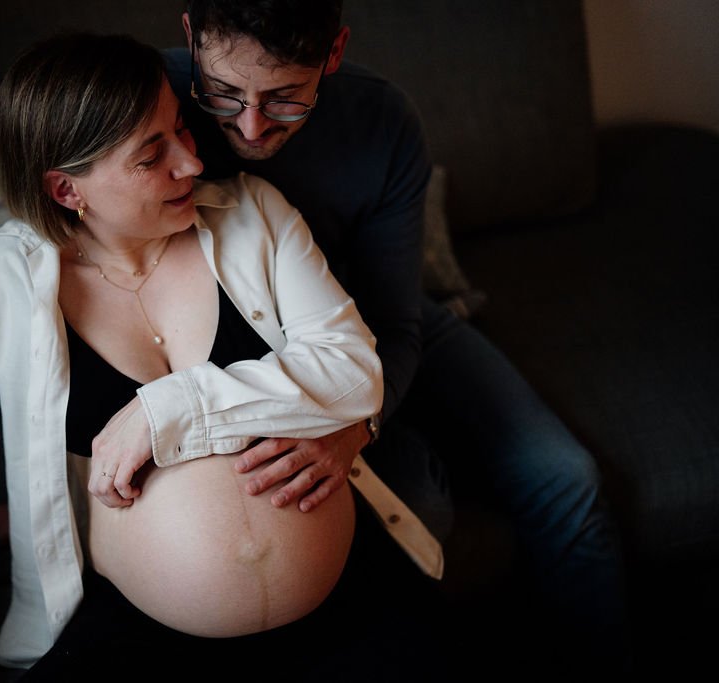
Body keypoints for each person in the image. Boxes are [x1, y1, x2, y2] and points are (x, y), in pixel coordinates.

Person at [0, 32, 447, 679]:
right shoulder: (0, 282)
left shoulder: (253, 214)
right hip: (144, 620)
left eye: (181, 130)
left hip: (341, 590)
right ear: (67, 190)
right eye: (150, 155)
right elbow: (40, 449)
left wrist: (171, 405)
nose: (191, 163)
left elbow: (355, 370)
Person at [163, 0, 631, 674]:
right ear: (190, 35)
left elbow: (395, 320)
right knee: (420, 501)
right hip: (241, 352)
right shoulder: (148, 103)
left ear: (335, 53)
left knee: (568, 480)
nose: (251, 125)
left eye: (286, 98)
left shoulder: (383, 122)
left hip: (370, 327)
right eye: (225, 92)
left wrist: (355, 427)